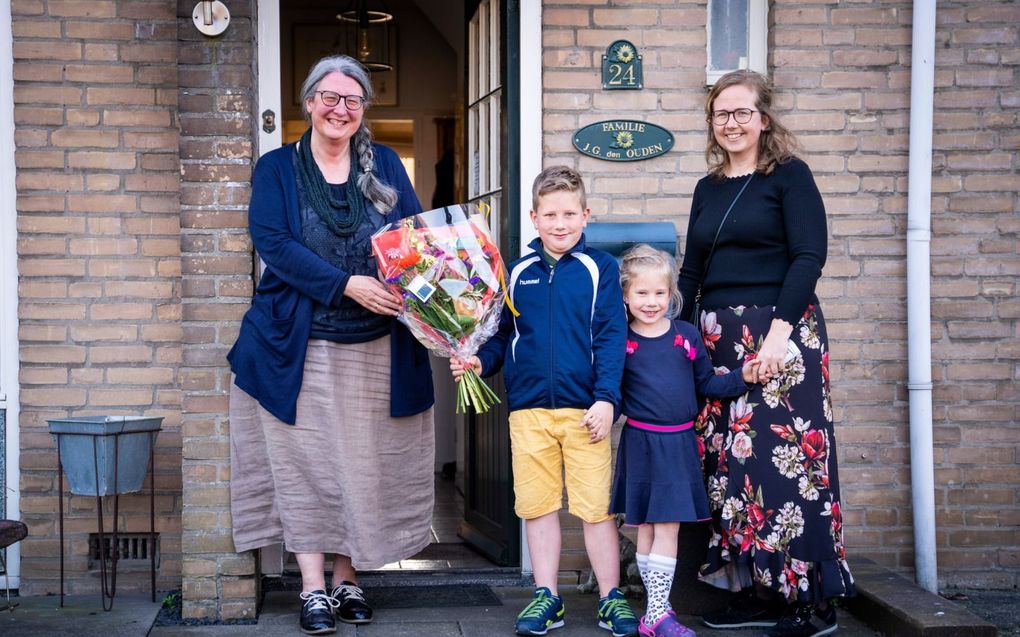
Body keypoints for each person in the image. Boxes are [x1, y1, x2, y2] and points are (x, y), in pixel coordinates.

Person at [226, 55, 435, 635]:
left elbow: (415, 241)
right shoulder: (277, 170)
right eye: (329, 97)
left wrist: (449, 306)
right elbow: (273, 242)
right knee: (307, 465)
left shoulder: (386, 164)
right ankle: (313, 588)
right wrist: (347, 284)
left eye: (352, 100)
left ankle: (349, 579)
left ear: (363, 109)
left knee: (363, 466)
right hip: (300, 344)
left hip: (376, 345)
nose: (340, 109)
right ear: (309, 102)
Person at [678, 69, 855, 637]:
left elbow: (808, 257)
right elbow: (691, 270)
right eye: (721, 114)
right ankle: (756, 591)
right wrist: (676, 343)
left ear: (764, 119)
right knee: (729, 469)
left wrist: (779, 335)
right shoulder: (708, 188)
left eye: (742, 112)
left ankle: (808, 601)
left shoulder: (790, 178)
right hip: (716, 341)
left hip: (783, 337)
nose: (731, 123)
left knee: (789, 469)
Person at [451, 166, 639, 637]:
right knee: (538, 507)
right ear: (534, 218)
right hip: (529, 410)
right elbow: (502, 337)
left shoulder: (601, 270)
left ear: (585, 215)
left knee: (595, 508)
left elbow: (612, 338)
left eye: (570, 214)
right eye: (550, 214)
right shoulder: (515, 273)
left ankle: (610, 597)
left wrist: (607, 399)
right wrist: (479, 362)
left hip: (586, 412)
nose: (561, 223)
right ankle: (546, 597)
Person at [610, 245, 759, 637]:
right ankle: (656, 612)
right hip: (640, 443)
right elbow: (613, 393)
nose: (651, 301)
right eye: (641, 293)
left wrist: (745, 376)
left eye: (659, 293)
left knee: (669, 527)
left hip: (677, 445)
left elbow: (707, 383)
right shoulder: (621, 342)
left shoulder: (686, 336)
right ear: (625, 295)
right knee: (644, 527)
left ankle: (656, 612)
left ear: (671, 293)